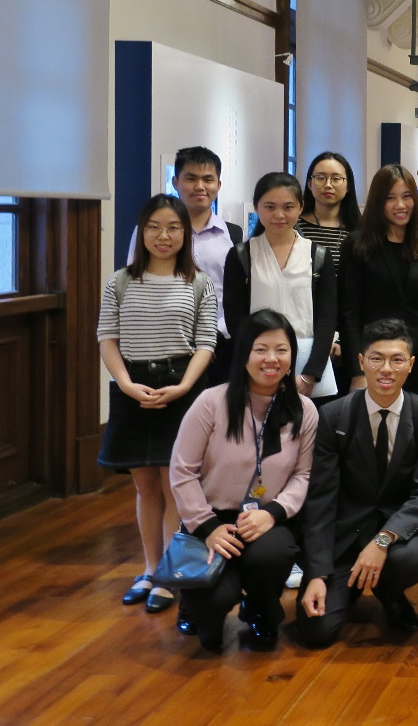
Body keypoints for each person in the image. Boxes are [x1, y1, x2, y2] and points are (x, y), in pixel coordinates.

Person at [169, 309, 318, 652]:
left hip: (264, 519)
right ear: (244, 355)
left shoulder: (304, 410)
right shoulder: (211, 403)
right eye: (260, 349)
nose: (271, 359)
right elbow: (182, 471)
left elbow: (304, 474)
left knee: (273, 555)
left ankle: (261, 608)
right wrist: (207, 528)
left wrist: (274, 513)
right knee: (209, 635)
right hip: (209, 518)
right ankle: (196, 603)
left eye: (281, 349)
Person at [99, 194, 218, 617]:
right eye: (154, 227)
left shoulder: (199, 281)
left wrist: (184, 386)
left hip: (181, 387)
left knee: (174, 487)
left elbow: (206, 341)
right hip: (133, 388)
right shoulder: (120, 281)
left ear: (185, 233)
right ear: (142, 232)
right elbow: (107, 337)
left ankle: (171, 573)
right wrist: (127, 384)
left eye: (173, 227)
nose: (163, 236)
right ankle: (149, 569)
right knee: (145, 487)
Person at [296, 318, 418, 646]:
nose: (386, 369)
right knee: (315, 634)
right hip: (344, 534)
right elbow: (321, 497)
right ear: (362, 362)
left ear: (411, 364)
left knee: (412, 559)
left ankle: (390, 592)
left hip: (394, 538)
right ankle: (345, 584)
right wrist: (316, 574)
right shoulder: (334, 416)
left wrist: (381, 541)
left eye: (397, 360)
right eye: (377, 359)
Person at [125, 146, 243, 386]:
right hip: (166, 344)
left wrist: (218, 336)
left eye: (208, 179)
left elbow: (235, 293)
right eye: (191, 178)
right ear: (176, 181)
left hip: (222, 345)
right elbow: (135, 284)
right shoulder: (150, 232)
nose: (200, 186)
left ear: (218, 185)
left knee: (217, 417)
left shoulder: (233, 234)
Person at [339, 164, 418, 403]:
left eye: (407, 197)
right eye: (390, 198)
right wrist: (357, 371)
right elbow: (349, 313)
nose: (400, 205)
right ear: (378, 202)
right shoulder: (357, 245)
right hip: (375, 362)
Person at [223, 172, 336, 399]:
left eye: (288, 207)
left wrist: (311, 373)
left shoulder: (318, 255)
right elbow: (234, 316)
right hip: (257, 364)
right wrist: (254, 358)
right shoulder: (241, 255)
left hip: (307, 364)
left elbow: (327, 317)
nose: (279, 215)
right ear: (256, 207)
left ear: (301, 207)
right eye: (270, 207)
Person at [296, 151, 360, 270]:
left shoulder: (359, 229)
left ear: (348, 186)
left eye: (336, 179)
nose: (328, 185)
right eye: (320, 178)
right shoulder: (295, 227)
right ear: (310, 184)